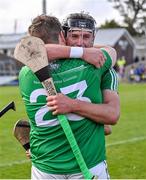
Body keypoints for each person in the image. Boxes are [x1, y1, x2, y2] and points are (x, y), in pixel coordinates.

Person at [18, 14, 119, 179]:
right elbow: (111, 51)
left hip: (43, 166)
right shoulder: (93, 66)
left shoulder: (25, 73)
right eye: (75, 36)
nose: (80, 42)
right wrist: (85, 52)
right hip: (87, 165)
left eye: (86, 37)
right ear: (62, 36)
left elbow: (28, 50)